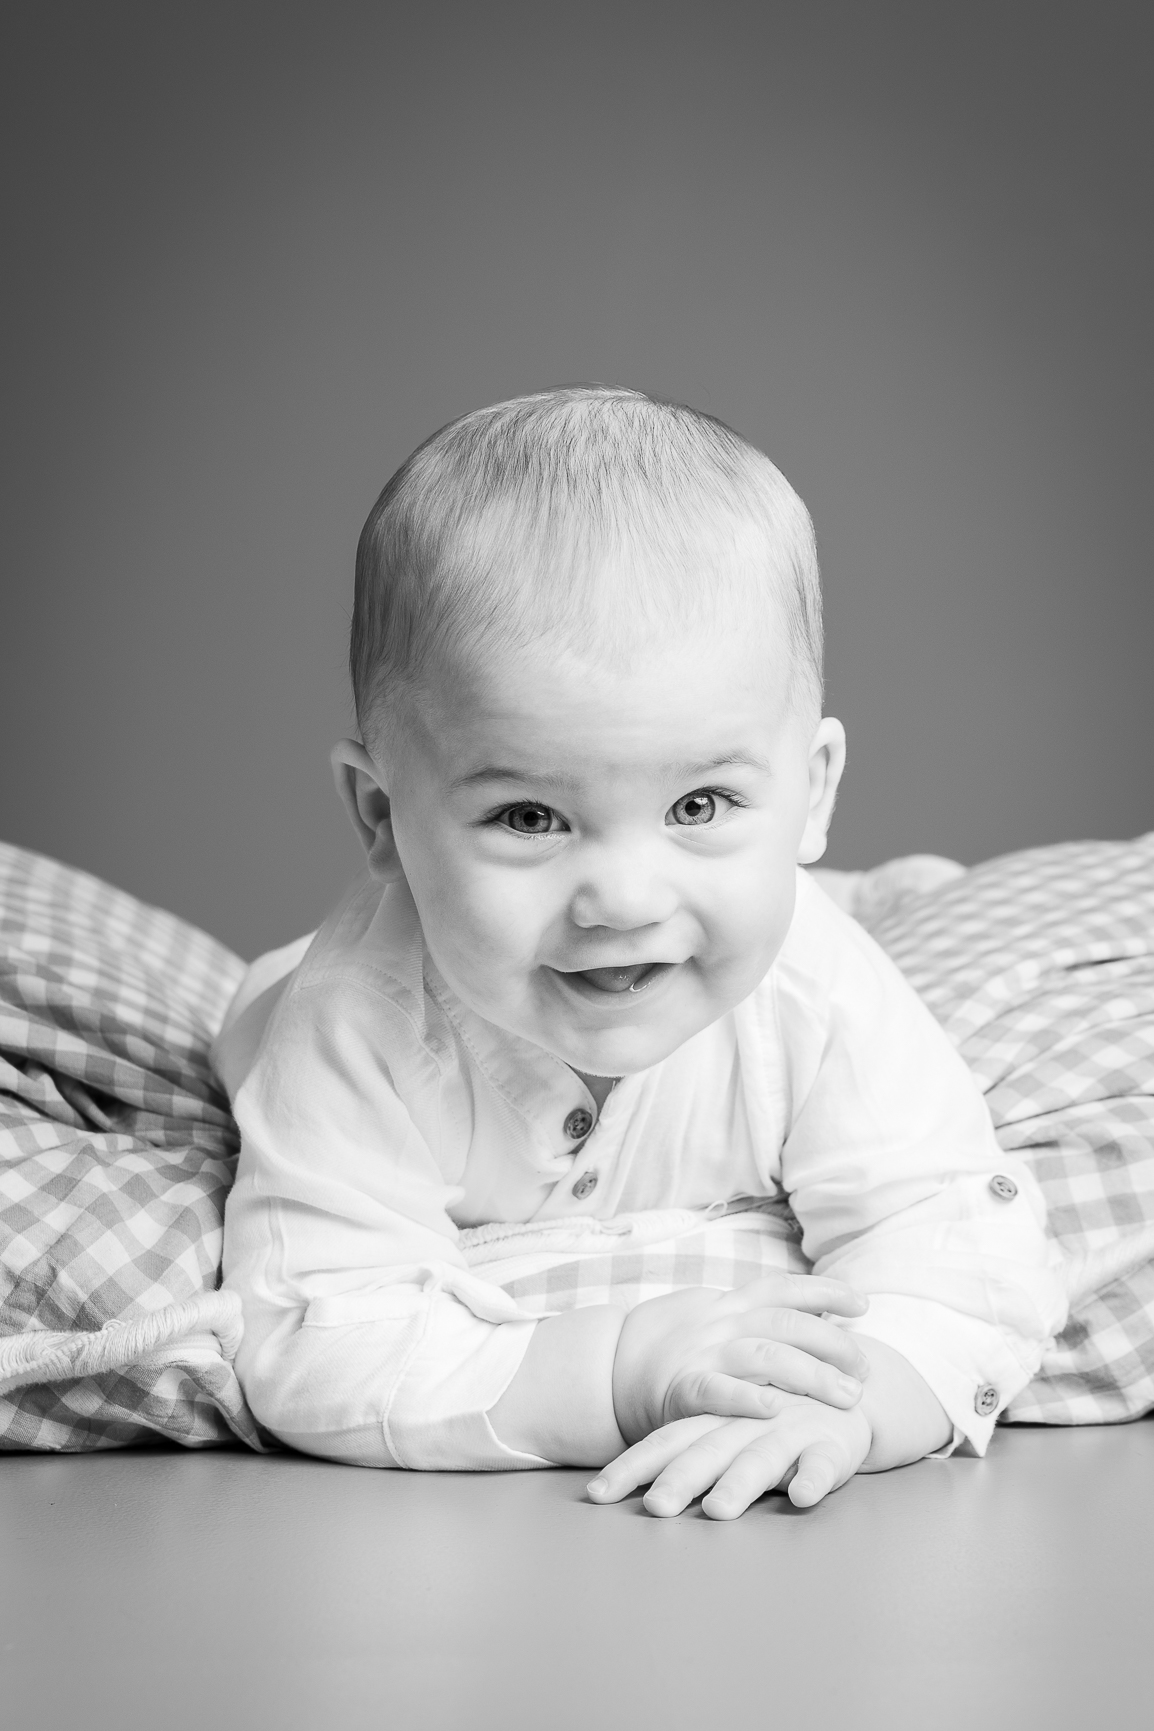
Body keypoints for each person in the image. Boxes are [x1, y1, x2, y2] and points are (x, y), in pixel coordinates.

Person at [215, 385, 1066, 1519]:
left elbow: (960, 1251)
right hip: (293, 1003)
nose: (620, 899)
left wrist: (863, 1406)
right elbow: (312, 1340)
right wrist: (611, 1372)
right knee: (263, 1003)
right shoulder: (353, 1027)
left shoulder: (817, 986)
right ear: (380, 815)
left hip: (817, 938)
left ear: (810, 795)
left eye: (701, 804)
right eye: (528, 818)